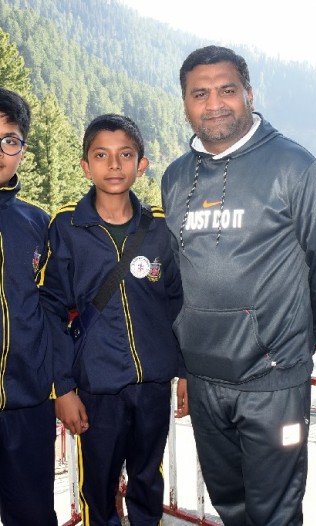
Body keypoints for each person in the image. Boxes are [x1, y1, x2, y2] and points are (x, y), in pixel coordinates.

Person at [161, 45, 316, 526]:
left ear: (249, 93)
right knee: (230, 503)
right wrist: (186, 362)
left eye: (227, 90)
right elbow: (180, 274)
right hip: (205, 378)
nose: (214, 104)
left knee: (275, 510)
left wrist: (289, 347)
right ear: (185, 103)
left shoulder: (296, 167)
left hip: (272, 382)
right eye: (199, 94)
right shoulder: (176, 176)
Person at [40, 114, 187, 525]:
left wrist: (184, 370)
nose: (114, 165)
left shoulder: (159, 228)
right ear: (86, 166)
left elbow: (178, 301)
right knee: (99, 487)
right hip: (96, 386)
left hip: (153, 383)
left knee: (147, 479)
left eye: (125, 155)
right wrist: (63, 388)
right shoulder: (68, 225)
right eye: (101, 155)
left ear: (142, 165)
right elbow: (50, 308)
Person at [0, 88, 57, 525]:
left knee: (34, 515)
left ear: (22, 150)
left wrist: (59, 387)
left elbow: (53, 310)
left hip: (28, 403)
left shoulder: (38, 223)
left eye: (9, 140)